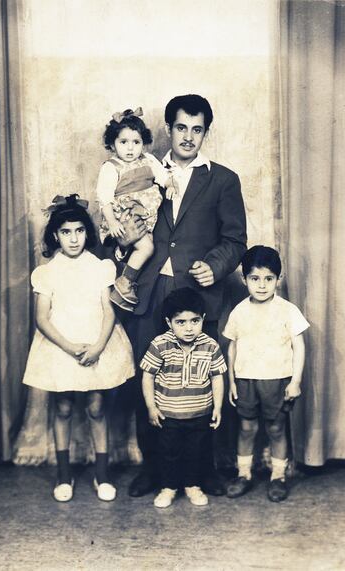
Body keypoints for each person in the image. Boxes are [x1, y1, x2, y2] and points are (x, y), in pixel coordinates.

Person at [122, 94, 247, 498]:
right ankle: (155, 470)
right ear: (168, 130)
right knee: (151, 376)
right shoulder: (144, 172)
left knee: (203, 381)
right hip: (150, 289)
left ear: (205, 132)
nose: (188, 137)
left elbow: (235, 239)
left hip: (197, 293)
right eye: (181, 128)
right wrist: (123, 243)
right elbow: (124, 222)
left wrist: (215, 264)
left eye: (197, 129)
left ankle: (205, 469)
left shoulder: (223, 179)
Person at [21, 194, 135, 503]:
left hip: (96, 344)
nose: (74, 238)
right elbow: (42, 318)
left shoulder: (100, 268)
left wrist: (98, 346)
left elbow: (109, 310)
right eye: (66, 232)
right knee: (64, 408)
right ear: (55, 236)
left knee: (97, 409)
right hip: (63, 346)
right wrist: (71, 347)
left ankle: (102, 475)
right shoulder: (47, 272)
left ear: (88, 233)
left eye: (80, 231)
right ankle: (63, 475)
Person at [223, 245, 309, 502]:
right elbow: (232, 346)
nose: (262, 285)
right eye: (255, 278)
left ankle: (278, 476)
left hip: (277, 380)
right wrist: (232, 383)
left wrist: (295, 381)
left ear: (278, 280)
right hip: (246, 379)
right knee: (247, 428)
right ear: (244, 279)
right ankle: (244, 474)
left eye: (268, 279)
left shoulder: (287, 310)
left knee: (276, 428)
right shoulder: (240, 311)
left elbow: (299, 346)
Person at [140, 288, 226, 508]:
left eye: (194, 321)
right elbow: (147, 376)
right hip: (168, 414)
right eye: (181, 322)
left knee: (195, 452)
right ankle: (168, 487)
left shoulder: (210, 345)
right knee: (169, 453)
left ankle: (192, 485)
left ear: (203, 319)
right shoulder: (160, 345)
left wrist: (217, 407)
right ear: (169, 322)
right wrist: (151, 407)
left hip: (200, 413)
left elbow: (217, 377)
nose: (189, 328)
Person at [96, 107, 178, 311]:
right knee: (146, 247)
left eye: (136, 142)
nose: (130, 148)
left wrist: (170, 185)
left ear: (144, 142)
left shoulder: (149, 160)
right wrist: (113, 222)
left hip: (145, 217)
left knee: (147, 246)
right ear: (113, 144)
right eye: (123, 142)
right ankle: (125, 282)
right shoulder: (110, 167)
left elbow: (163, 176)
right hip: (123, 216)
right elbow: (104, 199)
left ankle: (124, 284)